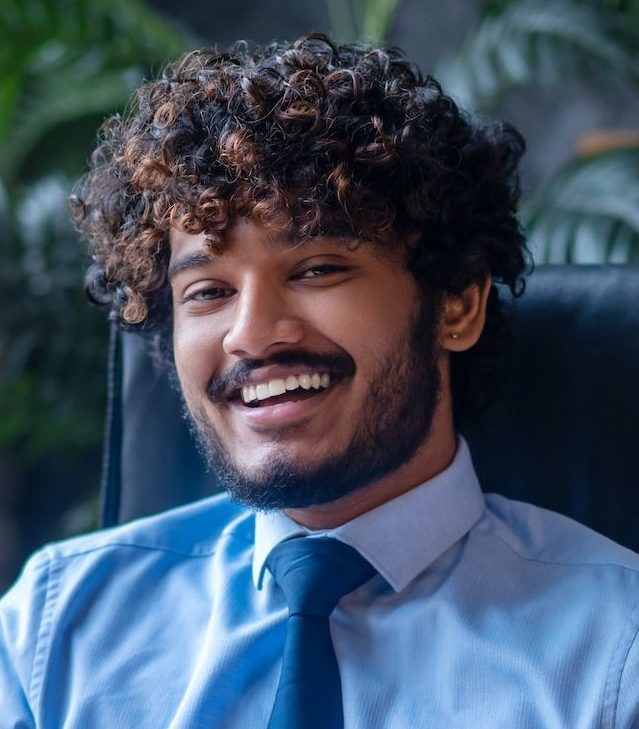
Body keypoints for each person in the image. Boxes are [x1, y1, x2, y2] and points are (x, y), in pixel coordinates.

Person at [1, 32, 638, 728]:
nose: (250, 332)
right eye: (207, 291)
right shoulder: (52, 630)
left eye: (315, 270)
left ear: (455, 304)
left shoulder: (615, 649)